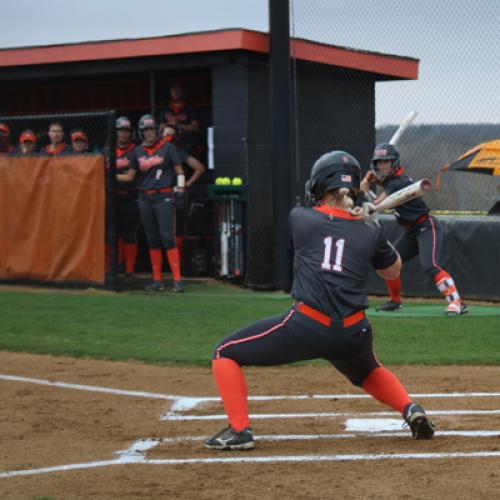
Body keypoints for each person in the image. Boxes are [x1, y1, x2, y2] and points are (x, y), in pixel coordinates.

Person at [205, 150, 434, 451]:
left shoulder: (300, 218)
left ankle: (239, 430)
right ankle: (410, 408)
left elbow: (326, 226)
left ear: (318, 186)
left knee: (224, 352)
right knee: (367, 371)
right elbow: (392, 271)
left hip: (307, 326)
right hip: (353, 332)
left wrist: (359, 220)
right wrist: (373, 229)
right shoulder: (369, 231)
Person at [360, 143, 468, 316]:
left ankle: (457, 302)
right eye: (379, 162)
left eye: (386, 162)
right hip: (411, 231)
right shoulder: (392, 180)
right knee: (389, 262)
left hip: (426, 226)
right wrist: (374, 182)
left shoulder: (397, 182)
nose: (382, 165)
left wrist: (366, 191)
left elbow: (376, 206)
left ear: (394, 162)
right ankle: (395, 301)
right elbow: (387, 196)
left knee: (430, 265)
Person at [117, 114, 185, 292]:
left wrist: (180, 190)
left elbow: (179, 171)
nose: (149, 133)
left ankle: (177, 280)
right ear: (141, 133)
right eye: (146, 130)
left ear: (157, 131)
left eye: (152, 130)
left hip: (164, 196)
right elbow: (130, 176)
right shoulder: (137, 152)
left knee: (167, 238)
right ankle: (157, 281)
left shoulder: (168, 148)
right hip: (145, 198)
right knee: (152, 240)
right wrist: (109, 174)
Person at [162, 123, 206, 254]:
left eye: (169, 135)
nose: (166, 137)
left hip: (177, 192)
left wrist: (186, 184)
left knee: (177, 228)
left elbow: (200, 168)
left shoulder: (179, 151)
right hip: (159, 193)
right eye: (164, 135)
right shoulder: (158, 152)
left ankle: (179, 261)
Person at [113, 116, 140, 281]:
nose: (123, 133)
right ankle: (111, 268)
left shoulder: (136, 150)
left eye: (127, 131)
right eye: (121, 130)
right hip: (112, 197)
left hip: (131, 196)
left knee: (130, 234)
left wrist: (110, 176)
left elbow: (131, 177)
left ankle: (129, 271)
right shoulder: (107, 149)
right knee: (111, 234)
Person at [158, 82, 200, 154]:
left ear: (182, 91)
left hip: (186, 144)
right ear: (170, 92)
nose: (175, 92)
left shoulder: (189, 107)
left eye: (178, 89)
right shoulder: (166, 108)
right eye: (173, 90)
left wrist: (178, 126)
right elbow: (160, 126)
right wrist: (171, 125)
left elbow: (195, 127)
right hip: (169, 143)